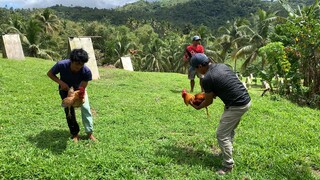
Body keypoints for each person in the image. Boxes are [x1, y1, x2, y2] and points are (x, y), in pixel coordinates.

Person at [189, 53, 251, 175]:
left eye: (196, 68)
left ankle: (228, 165)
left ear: (201, 66)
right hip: (245, 100)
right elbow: (223, 86)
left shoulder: (207, 78)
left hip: (236, 105)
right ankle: (227, 150)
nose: (196, 71)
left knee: (221, 134)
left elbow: (209, 100)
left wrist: (197, 106)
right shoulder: (222, 66)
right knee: (229, 130)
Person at [47, 48, 97, 142]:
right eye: (76, 64)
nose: (78, 67)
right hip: (64, 90)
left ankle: (89, 133)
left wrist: (77, 96)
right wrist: (61, 83)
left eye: (81, 65)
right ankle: (75, 134)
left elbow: (83, 87)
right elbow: (50, 73)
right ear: (71, 61)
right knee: (69, 112)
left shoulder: (86, 71)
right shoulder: (61, 65)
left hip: (79, 91)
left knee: (86, 109)